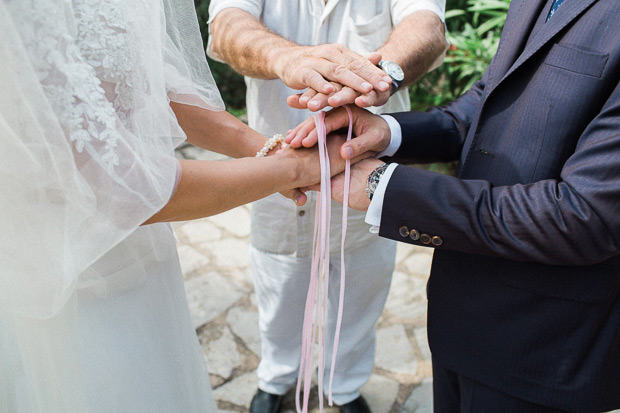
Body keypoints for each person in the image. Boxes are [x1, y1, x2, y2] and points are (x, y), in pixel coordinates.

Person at [0, 1, 351, 411]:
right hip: (66, 277)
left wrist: (274, 150)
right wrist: (292, 169)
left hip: (141, 259)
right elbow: (106, 183)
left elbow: (145, 85)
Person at [288, 0, 620, 411]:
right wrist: (386, 131)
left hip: (544, 345)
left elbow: (585, 215)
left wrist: (382, 186)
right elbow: (488, 101)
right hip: (460, 312)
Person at [207, 1, 447, 411]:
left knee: (363, 282)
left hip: (365, 165)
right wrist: (286, 57)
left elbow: (426, 24)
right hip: (278, 162)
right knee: (279, 283)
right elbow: (225, 24)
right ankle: (277, 377)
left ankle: (344, 387)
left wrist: (376, 76)